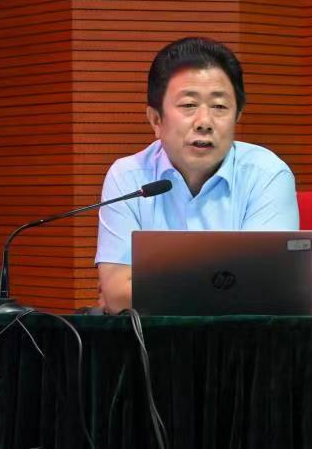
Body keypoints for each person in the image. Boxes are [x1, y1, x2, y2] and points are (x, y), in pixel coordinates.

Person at [95, 37, 299, 313]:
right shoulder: (127, 178)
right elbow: (118, 296)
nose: (204, 122)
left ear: (237, 117)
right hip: (151, 338)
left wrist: (150, 289)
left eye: (219, 107)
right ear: (156, 120)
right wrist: (224, 286)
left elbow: (269, 291)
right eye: (189, 105)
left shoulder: (267, 175)